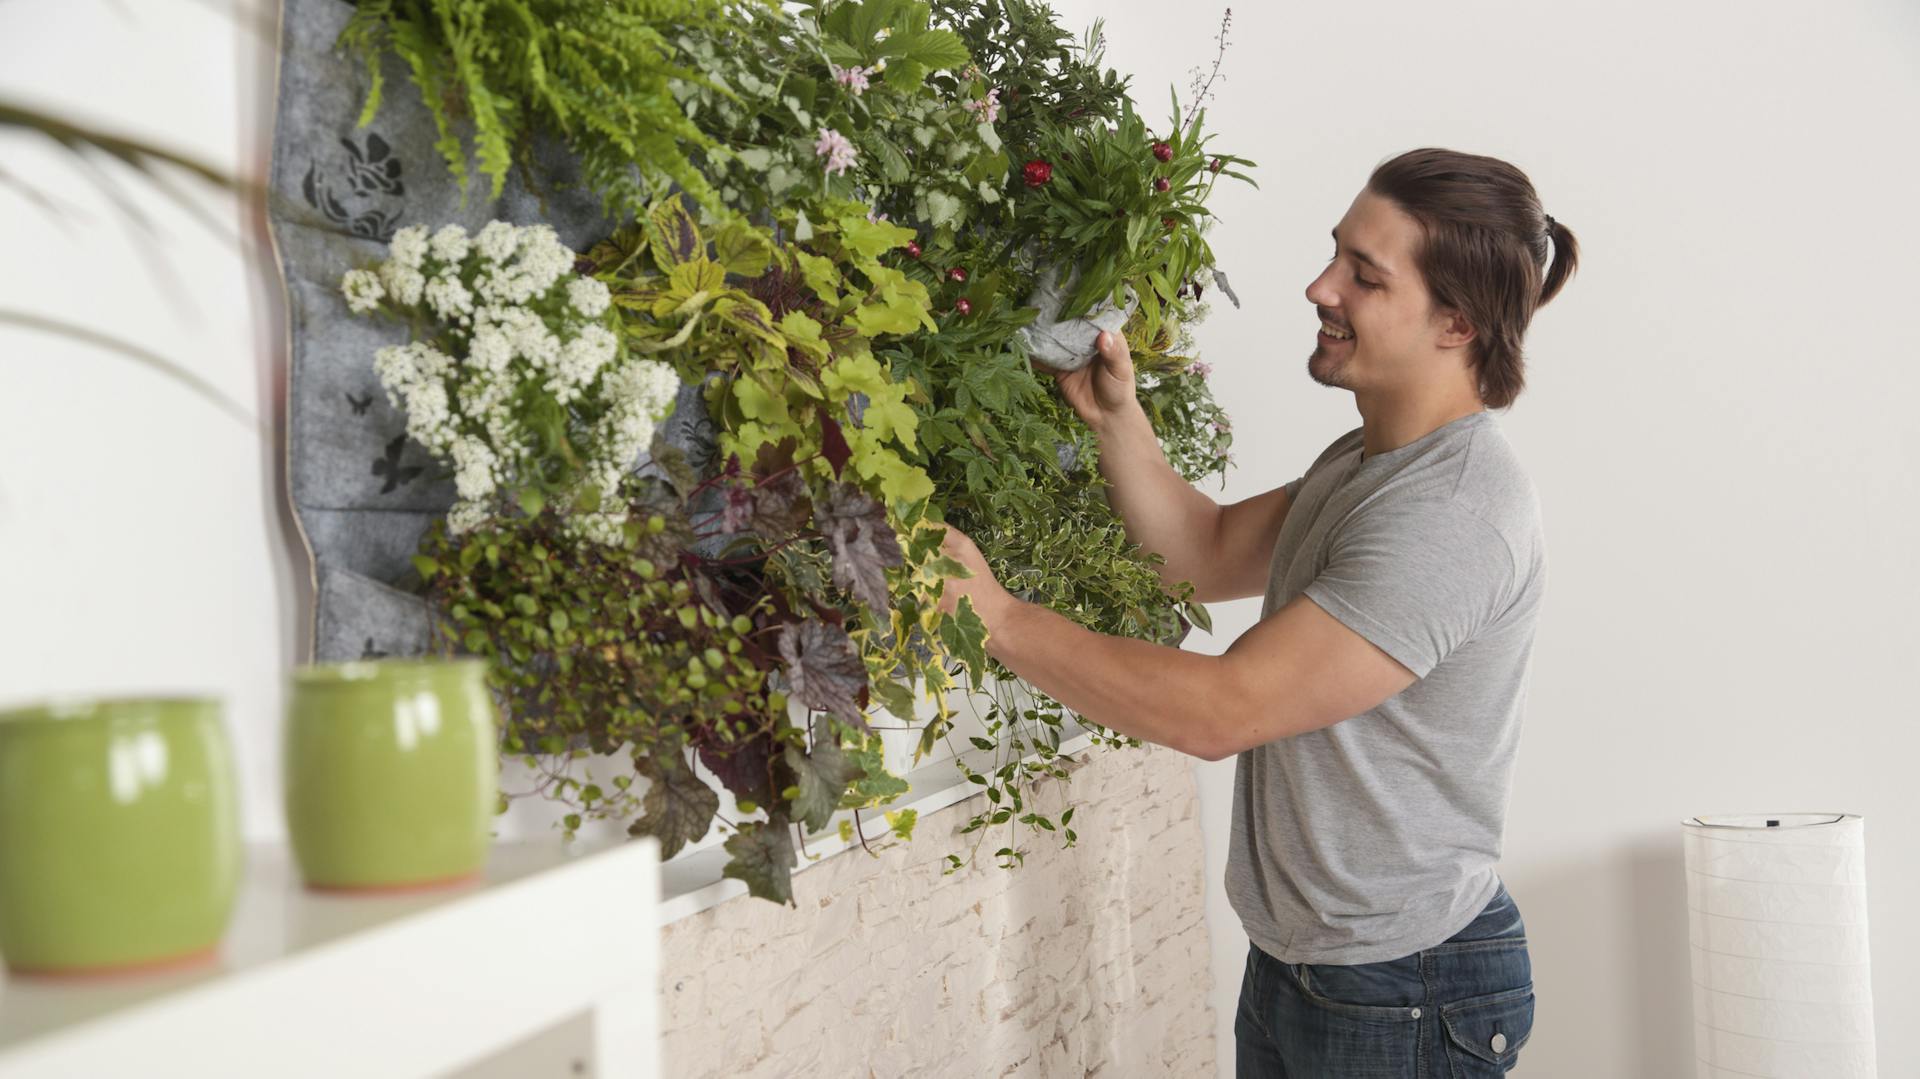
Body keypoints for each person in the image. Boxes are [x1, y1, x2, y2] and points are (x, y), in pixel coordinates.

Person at [936, 147, 1579, 1077]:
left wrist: (994, 616)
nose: (1320, 286)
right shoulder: (1367, 461)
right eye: (1335, 256)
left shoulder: (1451, 515)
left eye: (1364, 276)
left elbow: (1222, 709)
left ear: (1457, 322)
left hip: (1403, 988)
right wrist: (1116, 417)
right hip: (1313, 965)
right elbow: (1198, 554)